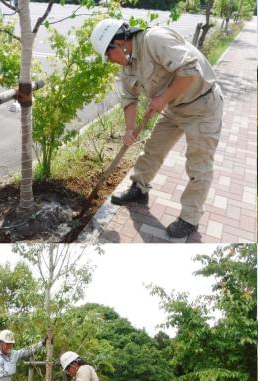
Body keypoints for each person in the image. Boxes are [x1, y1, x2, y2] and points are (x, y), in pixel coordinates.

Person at [90, 19, 224, 238]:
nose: (109, 61)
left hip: (202, 105)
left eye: (108, 54)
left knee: (198, 165)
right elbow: (129, 97)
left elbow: (190, 70)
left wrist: (163, 98)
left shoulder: (155, 40)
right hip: (173, 107)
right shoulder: (127, 67)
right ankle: (139, 190)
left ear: (118, 42)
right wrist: (130, 129)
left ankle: (190, 219)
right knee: (153, 149)